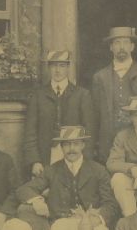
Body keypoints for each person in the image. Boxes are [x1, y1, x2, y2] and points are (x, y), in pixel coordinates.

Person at [87, 26, 137, 162]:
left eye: (125, 42)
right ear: (111, 47)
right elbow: (95, 115)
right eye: (117, 43)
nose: (121, 47)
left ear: (132, 46)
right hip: (110, 144)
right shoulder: (100, 77)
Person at [22, 49, 95, 178]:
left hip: (74, 153)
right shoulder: (38, 95)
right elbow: (30, 132)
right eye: (54, 65)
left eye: (62, 66)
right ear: (49, 68)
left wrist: (85, 161)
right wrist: (34, 161)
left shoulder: (82, 95)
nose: (57, 70)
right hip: (46, 155)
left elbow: (89, 131)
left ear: (68, 68)